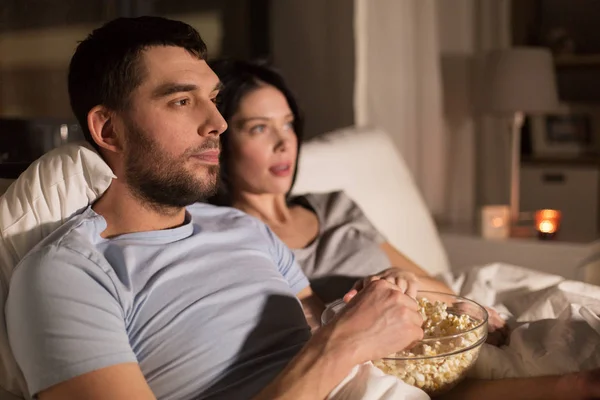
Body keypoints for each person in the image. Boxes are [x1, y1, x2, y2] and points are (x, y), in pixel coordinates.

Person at [5, 17, 425, 400]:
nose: (218, 123)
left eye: (213, 98)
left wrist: (372, 309)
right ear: (108, 129)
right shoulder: (69, 274)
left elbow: (321, 329)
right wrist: (346, 342)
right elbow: (332, 348)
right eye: (182, 102)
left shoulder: (243, 228)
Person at [207, 59, 600, 400]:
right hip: (379, 364)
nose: (284, 142)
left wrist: (449, 304)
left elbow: (430, 282)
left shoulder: (333, 204)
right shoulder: (235, 242)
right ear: (220, 141)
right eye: (259, 128)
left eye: (289, 125)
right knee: (574, 380)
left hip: (443, 336)